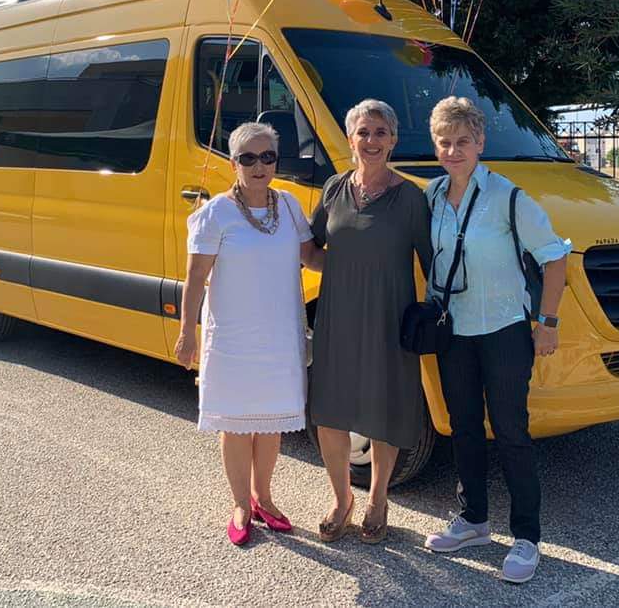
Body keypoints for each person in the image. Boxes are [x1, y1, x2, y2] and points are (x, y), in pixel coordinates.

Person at [422, 97, 570, 584]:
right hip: (455, 331)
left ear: (480, 142)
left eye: (462, 141)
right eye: (445, 142)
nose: (453, 151)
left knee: (510, 432)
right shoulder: (432, 196)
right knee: (463, 428)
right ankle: (473, 521)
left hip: (504, 329)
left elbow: (555, 258)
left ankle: (527, 537)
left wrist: (547, 322)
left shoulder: (508, 197)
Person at [175, 122, 324, 546]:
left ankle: (264, 498)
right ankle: (241, 503)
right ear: (234, 162)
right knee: (237, 424)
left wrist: (362, 259)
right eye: (248, 158)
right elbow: (195, 279)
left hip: (279, 334)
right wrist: (187, 333)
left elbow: (312, 257)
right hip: (233, 338)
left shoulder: (289, 206)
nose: (259, 166)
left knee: (271, 422)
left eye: (268, 157)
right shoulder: (215, 213)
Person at [309, 99, 432, 545]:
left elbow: (433, 263)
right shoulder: (333, 189)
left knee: (385, 409)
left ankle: (377, 500)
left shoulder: (411, 197)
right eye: (363, 132)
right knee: (331, 410)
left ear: (393, 139)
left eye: (381, 132)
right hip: (337, 316)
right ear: (350, 138)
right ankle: (341, 499)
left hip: (389, 317)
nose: (372, 140)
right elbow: (312, 249)